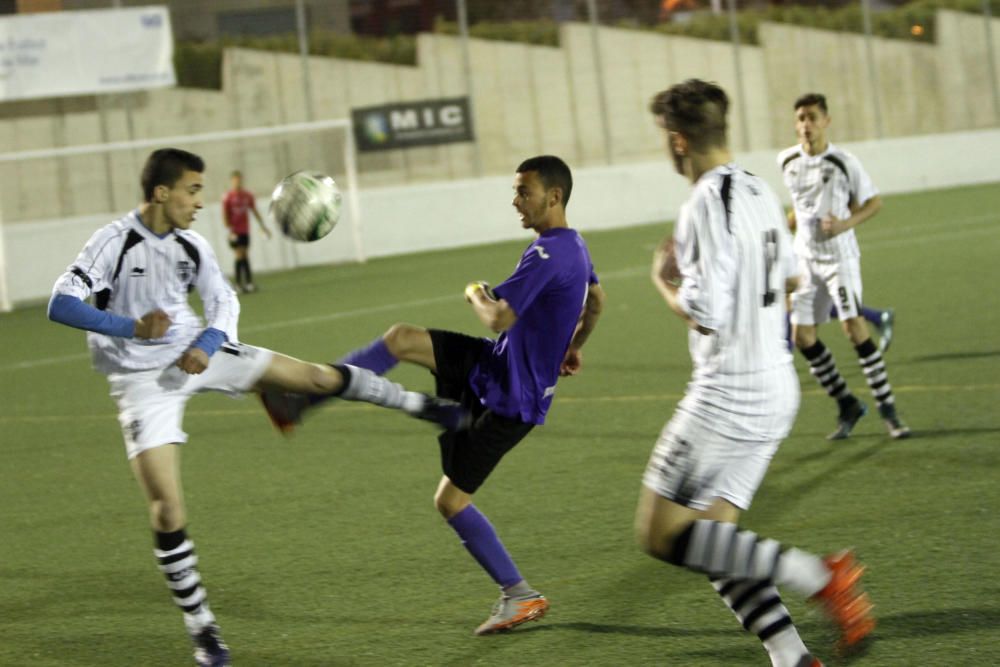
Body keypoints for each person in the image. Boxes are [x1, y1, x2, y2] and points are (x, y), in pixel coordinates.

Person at [47, 148, 467, 667]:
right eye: (193, 190)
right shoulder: (113, 242)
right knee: (167, 509)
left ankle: (423, 405)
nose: (201, 202)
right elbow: (61, 303)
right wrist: (130, 328)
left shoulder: (192, 244)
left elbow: (224, 300)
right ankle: (202, 628)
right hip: (141, 381)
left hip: (198, 351)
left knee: (314, 376)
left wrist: (208, 342)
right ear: (162, 192)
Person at [261, 155, 606, 635]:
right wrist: (573, 347)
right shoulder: (575, 245)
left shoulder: (548, 253)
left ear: (554, 196)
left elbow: (498, 316)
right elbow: (597, 301)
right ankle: (298, 401)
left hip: (512, 401)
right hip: (495, 365)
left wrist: (474, 291)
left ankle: (519, 595)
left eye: (523, 191)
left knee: (450, 502)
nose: (515, 200)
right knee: (402, 338)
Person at [638, 79, 875, 667]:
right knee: (718, 540)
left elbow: (705, 313)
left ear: (676, 142)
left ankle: (818, 574)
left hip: (728, 393)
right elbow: (795, 278)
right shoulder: (759, 190)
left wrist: (662, 281)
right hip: (775, 385)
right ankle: (791, 656)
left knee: (659, 533)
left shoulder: (702, 204)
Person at [778, 93, 910, 440]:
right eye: (800, 118)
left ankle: (889, 411)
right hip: (805, 259)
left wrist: (845, 224)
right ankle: (847, 403)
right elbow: (800, 205)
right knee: (802, 337)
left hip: (840, 258)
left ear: (826, 121)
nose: (805, 125)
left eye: (811, 117)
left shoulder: (844, 162)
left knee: (853, 328)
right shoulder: (787, 161)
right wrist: (787, 223)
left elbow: (874, 202)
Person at [785, 209, 895, 354]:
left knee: (794, 304)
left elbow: (793, 220)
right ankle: (877, 317)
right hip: (805, 255)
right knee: (808, 304)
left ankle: (786, 354)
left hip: (817, 258)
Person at [222, 170, 270, 293]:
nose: (237, 182)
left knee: (245, 254)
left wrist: (263, 226)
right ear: (232, 181)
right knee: (239, 254)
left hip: (244, 230)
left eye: (239, 180)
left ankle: (248, 283)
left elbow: (254, 210)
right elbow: (225, 215)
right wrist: (229, 230)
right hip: (234, 230)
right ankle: (238, 284)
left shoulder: (247, 195)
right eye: (235, 180)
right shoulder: (228, 197)